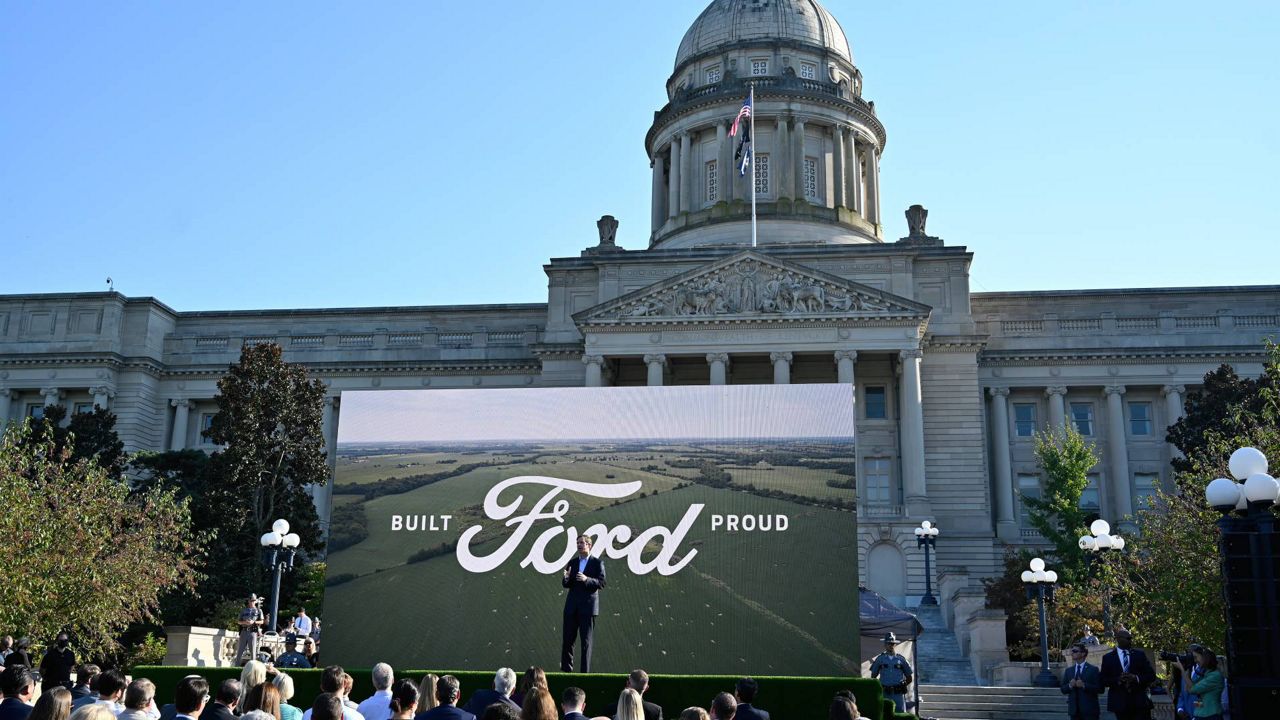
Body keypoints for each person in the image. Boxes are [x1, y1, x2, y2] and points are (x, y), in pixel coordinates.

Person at [561, 534, 606, 673]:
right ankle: (566, 672)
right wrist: (566, 578)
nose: (579, 545)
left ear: (589, 545)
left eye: (582, 543)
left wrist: (587, 579)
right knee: (568, 641)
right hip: (571, 608)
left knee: (586, 643)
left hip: (588, 609)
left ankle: (584, 674)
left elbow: (602, 583)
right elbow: (566, 584)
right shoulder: (573, 563)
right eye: (578, 543)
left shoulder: (597, 563)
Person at [1100, 628, 1156, 720]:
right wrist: (1118, 679)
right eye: (1128, 638)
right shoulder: (1108, 658)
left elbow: (1151, 676)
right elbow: (1103, 680)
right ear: (1119, 639)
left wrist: (1136, 678)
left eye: (1131, 638)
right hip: (1120, 704)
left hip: (1140, 703)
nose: (1131, 640)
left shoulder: (1139, 655)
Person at [868, 633, 912, 713]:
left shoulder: (901, 660)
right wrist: (879, 687)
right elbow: (873, 677)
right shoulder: (880, 659)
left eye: (892, 643)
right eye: (888, 643)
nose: (890, 645)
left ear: (895, 644)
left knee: (900, 714)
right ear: (885, 644)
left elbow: (909, 678)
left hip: (898, 694)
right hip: (884, 693)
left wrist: (902, 685)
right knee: (884, 714)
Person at [1179, 647, 1224, 720]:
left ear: (1205, 658)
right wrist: (1189, 669)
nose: (1195, 660)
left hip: (1211, 715)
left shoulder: (1215, 676)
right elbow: (1187, 689)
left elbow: (1193, 689)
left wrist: (1182, 669)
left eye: (1196, 657)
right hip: (1201, 715)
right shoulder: (1205, 674)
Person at [1061, 643, 1103, 720]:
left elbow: (1100, 689)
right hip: (1074, 712)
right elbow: (1063, 689)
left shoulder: (1093, 670)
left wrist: (1084, 685)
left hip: (1090, 712)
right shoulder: (1069, 671)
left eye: (1075, 651)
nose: (1072, 653)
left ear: (1083, 653)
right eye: (1071, 651)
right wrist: (1070, 685)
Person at [236, 596, 265, 665]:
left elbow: (262, 621)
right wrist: (245, 622)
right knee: (240, 652)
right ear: (248, 601)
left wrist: (253, 622)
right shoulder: (244, 610)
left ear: (255, 601)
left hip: (253, 632)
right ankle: (236, 667)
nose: (252, 602)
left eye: (253, 601)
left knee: (253, 652)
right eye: (251, 600)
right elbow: (238, 621)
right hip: (244, 631)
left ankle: (253, 669)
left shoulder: (258, 610)